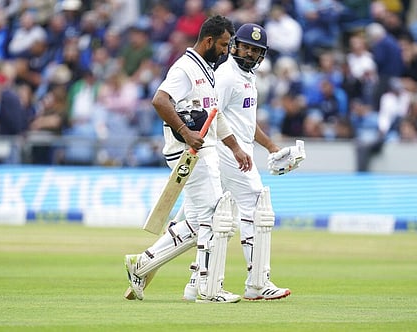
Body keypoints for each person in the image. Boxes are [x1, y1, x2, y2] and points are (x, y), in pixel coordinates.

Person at [124, 15, 253, 303]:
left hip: (201, 149)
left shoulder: (206, 70)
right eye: (222, 44)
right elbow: (160, 100)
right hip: (190, 151)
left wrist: (235, 148)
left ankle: (143, 264)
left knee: (196, 223)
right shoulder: (185, 68)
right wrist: (185, 131)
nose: (225, 50)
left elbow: (213, 117)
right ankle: (209, 288)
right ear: (208, 41)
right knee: (216, 216)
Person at [182, 23, 305, 301]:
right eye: (246, 47)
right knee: (257, 204)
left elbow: (246, 123)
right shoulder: (226, 75)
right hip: (227, 152)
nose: (249, 53)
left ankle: (195, 282)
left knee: (205, 219)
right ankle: (258, 282)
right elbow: (211, 116)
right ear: (235, 45)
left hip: (238, 151)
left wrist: (272, 147)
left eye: (255, 50)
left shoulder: (248, 77)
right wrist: (233, 149)